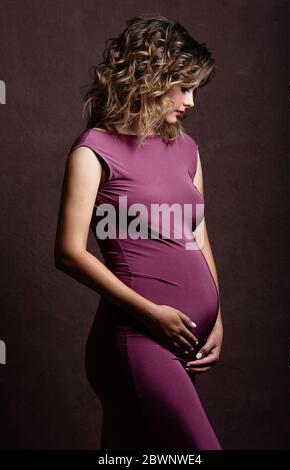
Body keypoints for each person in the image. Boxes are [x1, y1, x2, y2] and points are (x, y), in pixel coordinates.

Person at [55, 14, 223, 450]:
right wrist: (152, 314)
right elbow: (69, 252)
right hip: (137, 338)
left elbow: (198, 238)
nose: (191, 102)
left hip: (182, 341)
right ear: (151, 77)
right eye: (184, 87)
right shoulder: (94, 150)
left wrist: (217, 318)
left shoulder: (187, 149)